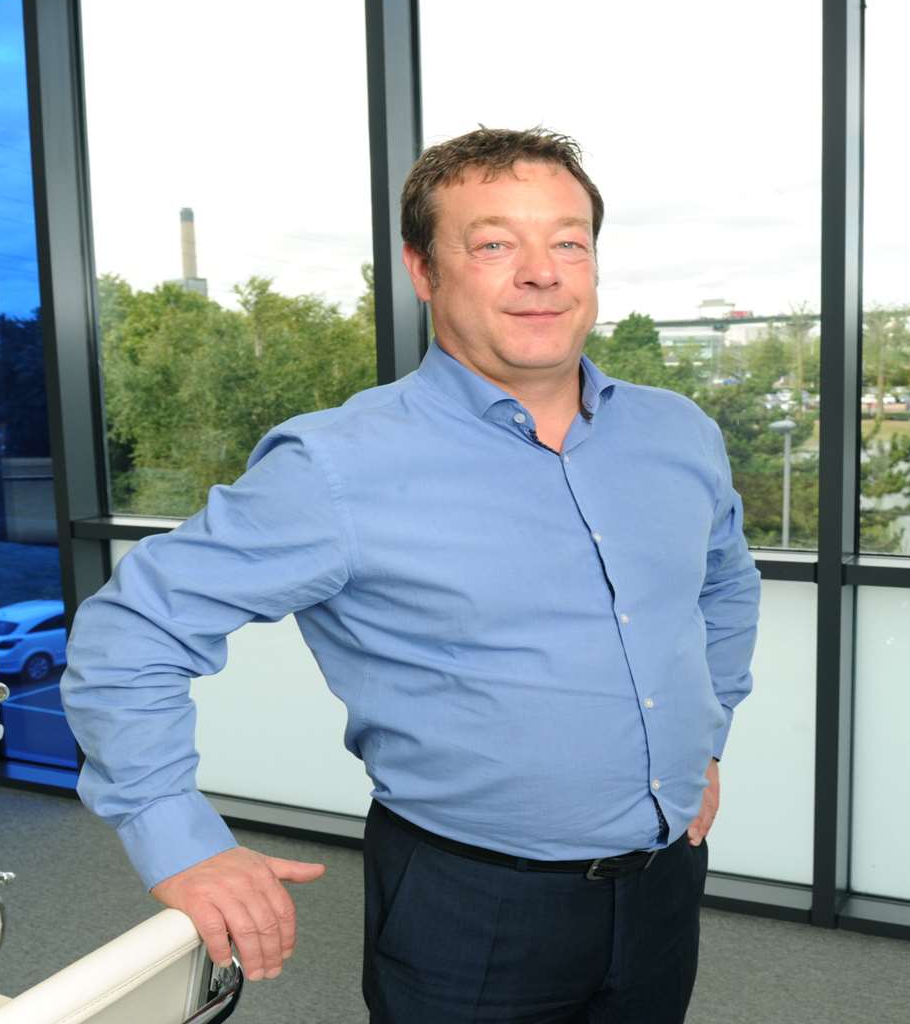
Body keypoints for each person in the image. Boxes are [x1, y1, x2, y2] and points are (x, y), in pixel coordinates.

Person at [63, 126, 761, 1023]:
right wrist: (177, 840)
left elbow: (724, 586)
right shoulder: (335, 467)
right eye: (496, 243)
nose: (543, 272)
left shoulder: (677, 433)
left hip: (666, 883)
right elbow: (131, 634)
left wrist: (706, 738)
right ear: (424, 271)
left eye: (568, 241)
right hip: (470, 910)